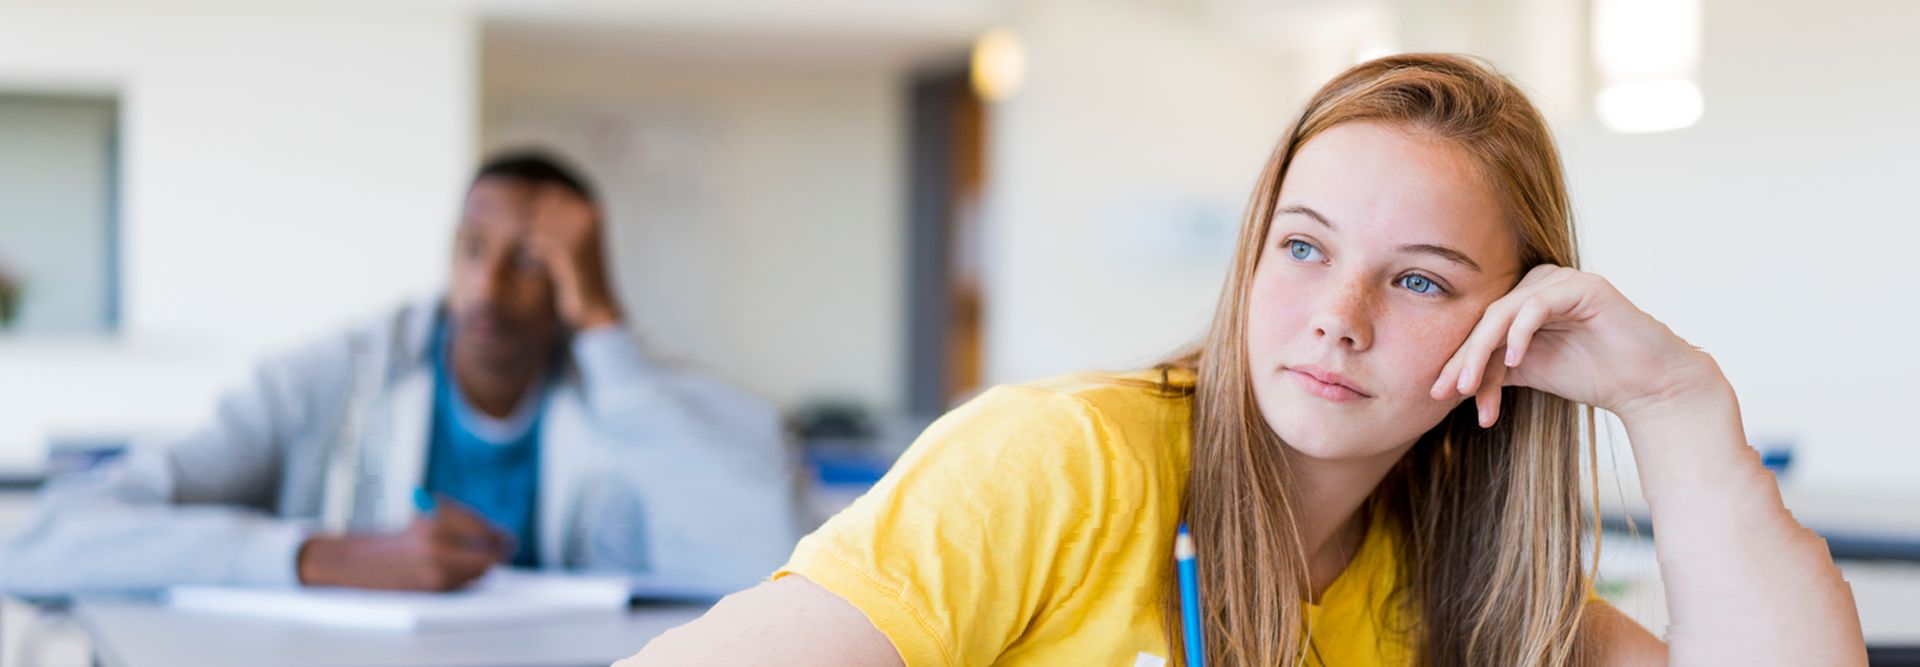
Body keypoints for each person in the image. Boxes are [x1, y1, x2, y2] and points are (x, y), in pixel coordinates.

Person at [621, 55, 1865, 665]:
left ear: (1511, 327)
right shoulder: (1062, 462)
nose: (1339, 316)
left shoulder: (1464, 579)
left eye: (1420, 279)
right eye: (1304, 248)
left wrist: (1671, 397)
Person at [0, 151, 797, 596]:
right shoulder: (327, 378)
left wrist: (603, 329)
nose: (488, 285)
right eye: (472, 250)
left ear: (576, 283)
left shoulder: (626, 393)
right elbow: (39, 545)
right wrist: (323, 556)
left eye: (531, 261)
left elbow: (770, 567)